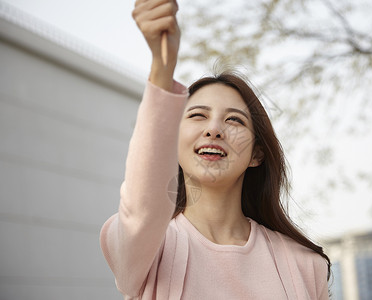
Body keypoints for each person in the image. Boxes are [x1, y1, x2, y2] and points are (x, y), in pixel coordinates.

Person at [100, 0, 331, 299]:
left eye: (234, 120)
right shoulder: (146, 249)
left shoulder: (304, 265)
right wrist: (161, 66)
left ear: (257, 154)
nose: (214, 129)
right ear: (172, 140)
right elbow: (142, 206)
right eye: (197, 115)